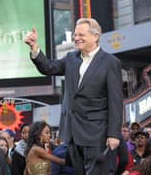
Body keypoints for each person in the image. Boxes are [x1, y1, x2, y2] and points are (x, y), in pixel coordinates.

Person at [25, 18, 123, 175]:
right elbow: (48, 67)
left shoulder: (111, 63)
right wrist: (35, 48)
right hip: (72, 135)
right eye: (75, 35)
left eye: (81, 34)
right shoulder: (71, 58)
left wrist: (113, 134)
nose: (76, 38)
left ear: (95, 36)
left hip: (97, 135)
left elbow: (116, 101)